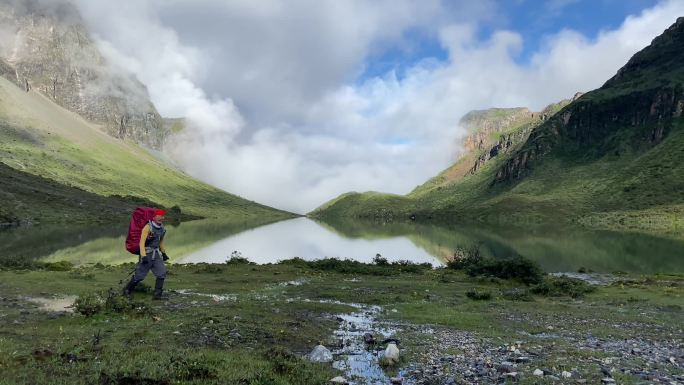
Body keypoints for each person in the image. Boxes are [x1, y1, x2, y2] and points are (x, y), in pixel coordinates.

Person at [123, 209, 170, 300]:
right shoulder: (148, 227)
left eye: (162, 216)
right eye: (159, 216)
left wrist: (163, 253)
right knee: (140, 275)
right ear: (154, 217)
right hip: (147, 254)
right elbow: (141, 243)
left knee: (162, 273)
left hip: (156, 254)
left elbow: (161, 241)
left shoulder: (162, 228)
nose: (161, 218)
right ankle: (127, 291)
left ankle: (157, 295)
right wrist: (143, 256)